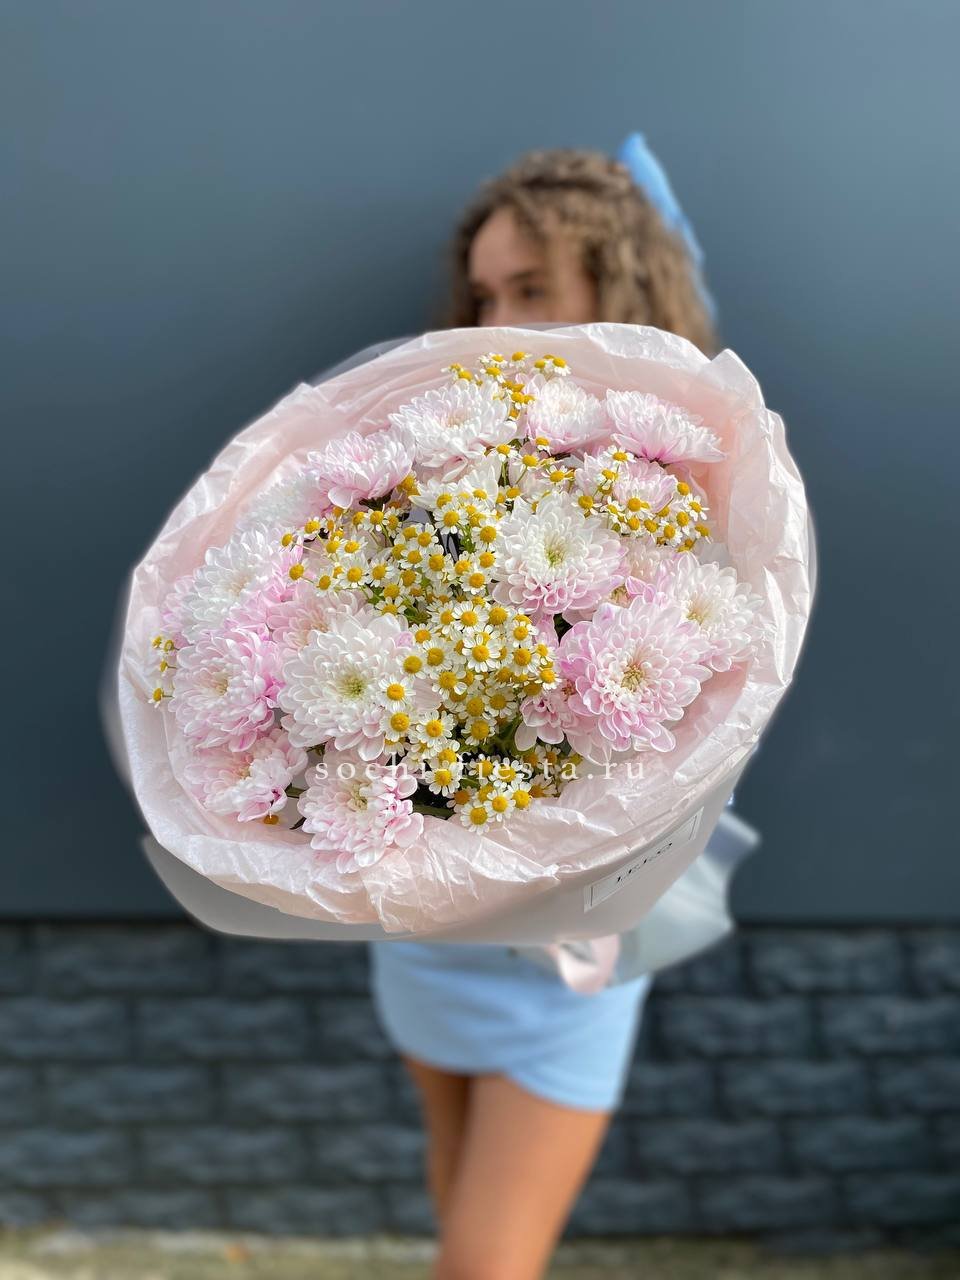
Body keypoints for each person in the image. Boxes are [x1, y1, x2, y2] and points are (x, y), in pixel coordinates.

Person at [368, 136, 722, 1280]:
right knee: (452, 1206)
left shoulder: (690, 478)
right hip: (429, 913)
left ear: (618, 291)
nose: (495, 322)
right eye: (483, 295)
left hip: (571, 926)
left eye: (531, 289)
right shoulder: (437, 460)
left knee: (485, 1262)